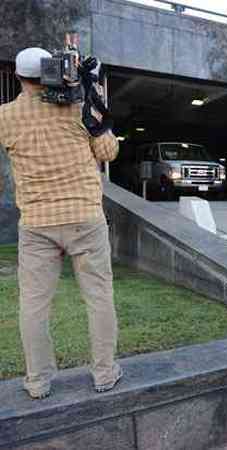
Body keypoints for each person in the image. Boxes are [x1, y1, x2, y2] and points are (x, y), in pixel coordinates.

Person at [0, 48, 121, 399]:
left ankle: (37, 382)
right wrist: (92, 95)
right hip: (85, 217)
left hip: (37, 223)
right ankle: (104, 373)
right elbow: (108, 152)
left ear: (20, 77)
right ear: (55, 72)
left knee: (34, 304)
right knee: (98, 297)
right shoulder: (77, 109)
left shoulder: (5, 116)